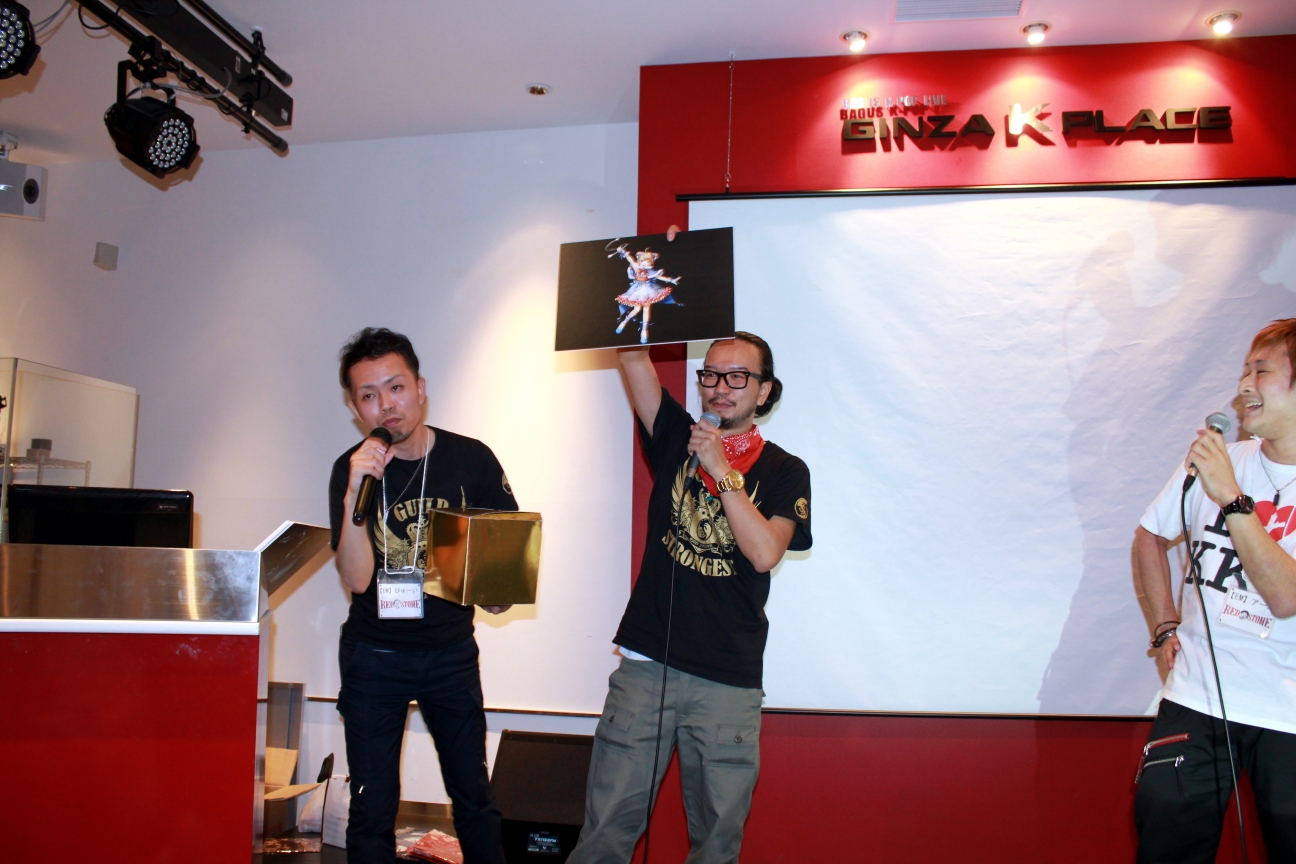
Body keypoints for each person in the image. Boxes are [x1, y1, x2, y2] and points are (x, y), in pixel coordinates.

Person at [568, 330, 812, 864]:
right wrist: (641, 299)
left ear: (764, 391)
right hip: (646, 665)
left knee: (716, 845)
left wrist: (721, 471)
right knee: (605, 833)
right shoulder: (677, 434)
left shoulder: (785, 470)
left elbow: (764, 553)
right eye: (711, 374)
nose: (720, 387)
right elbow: (633, 356)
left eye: (737, 377)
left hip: (726, 678)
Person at [329, 327, 515, 864]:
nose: (386, 405)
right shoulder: (352, 470)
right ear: (355, 408)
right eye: (369, 395)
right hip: (374, 655)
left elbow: (503, 571)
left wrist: (496, 590)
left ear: (420, 388)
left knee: (474, 798)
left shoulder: (471, 459)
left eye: (396, 387)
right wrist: (354, 494)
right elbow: (357, 579)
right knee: (372, 807)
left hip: (450, 654)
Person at [1133, 318, 1296, 863]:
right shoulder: (1219, 463)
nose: (1244, 386)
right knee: (1166, 837)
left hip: (1288, 711)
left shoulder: (1222, 476)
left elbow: (1286, 598)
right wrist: (1164, 626)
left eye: (1262, 371)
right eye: (1244, 371)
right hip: (1197, 696)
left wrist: (1230, 496)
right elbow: (1150, 536)